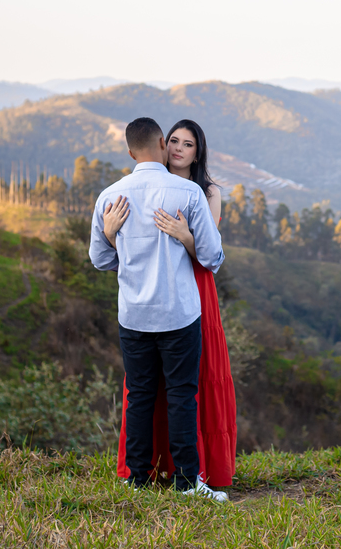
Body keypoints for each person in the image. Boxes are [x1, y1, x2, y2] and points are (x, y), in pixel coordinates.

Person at [89, 117, 227, 501]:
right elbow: (213, 256)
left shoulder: (110, 196)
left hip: (133, 314)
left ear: (130, 152)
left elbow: (100, 260)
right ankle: (186, 483)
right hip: (178, 313)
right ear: (163, 144)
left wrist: (114, 237)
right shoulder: (188, 193)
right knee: (182, 397)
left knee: (139, 396)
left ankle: (136, 479)